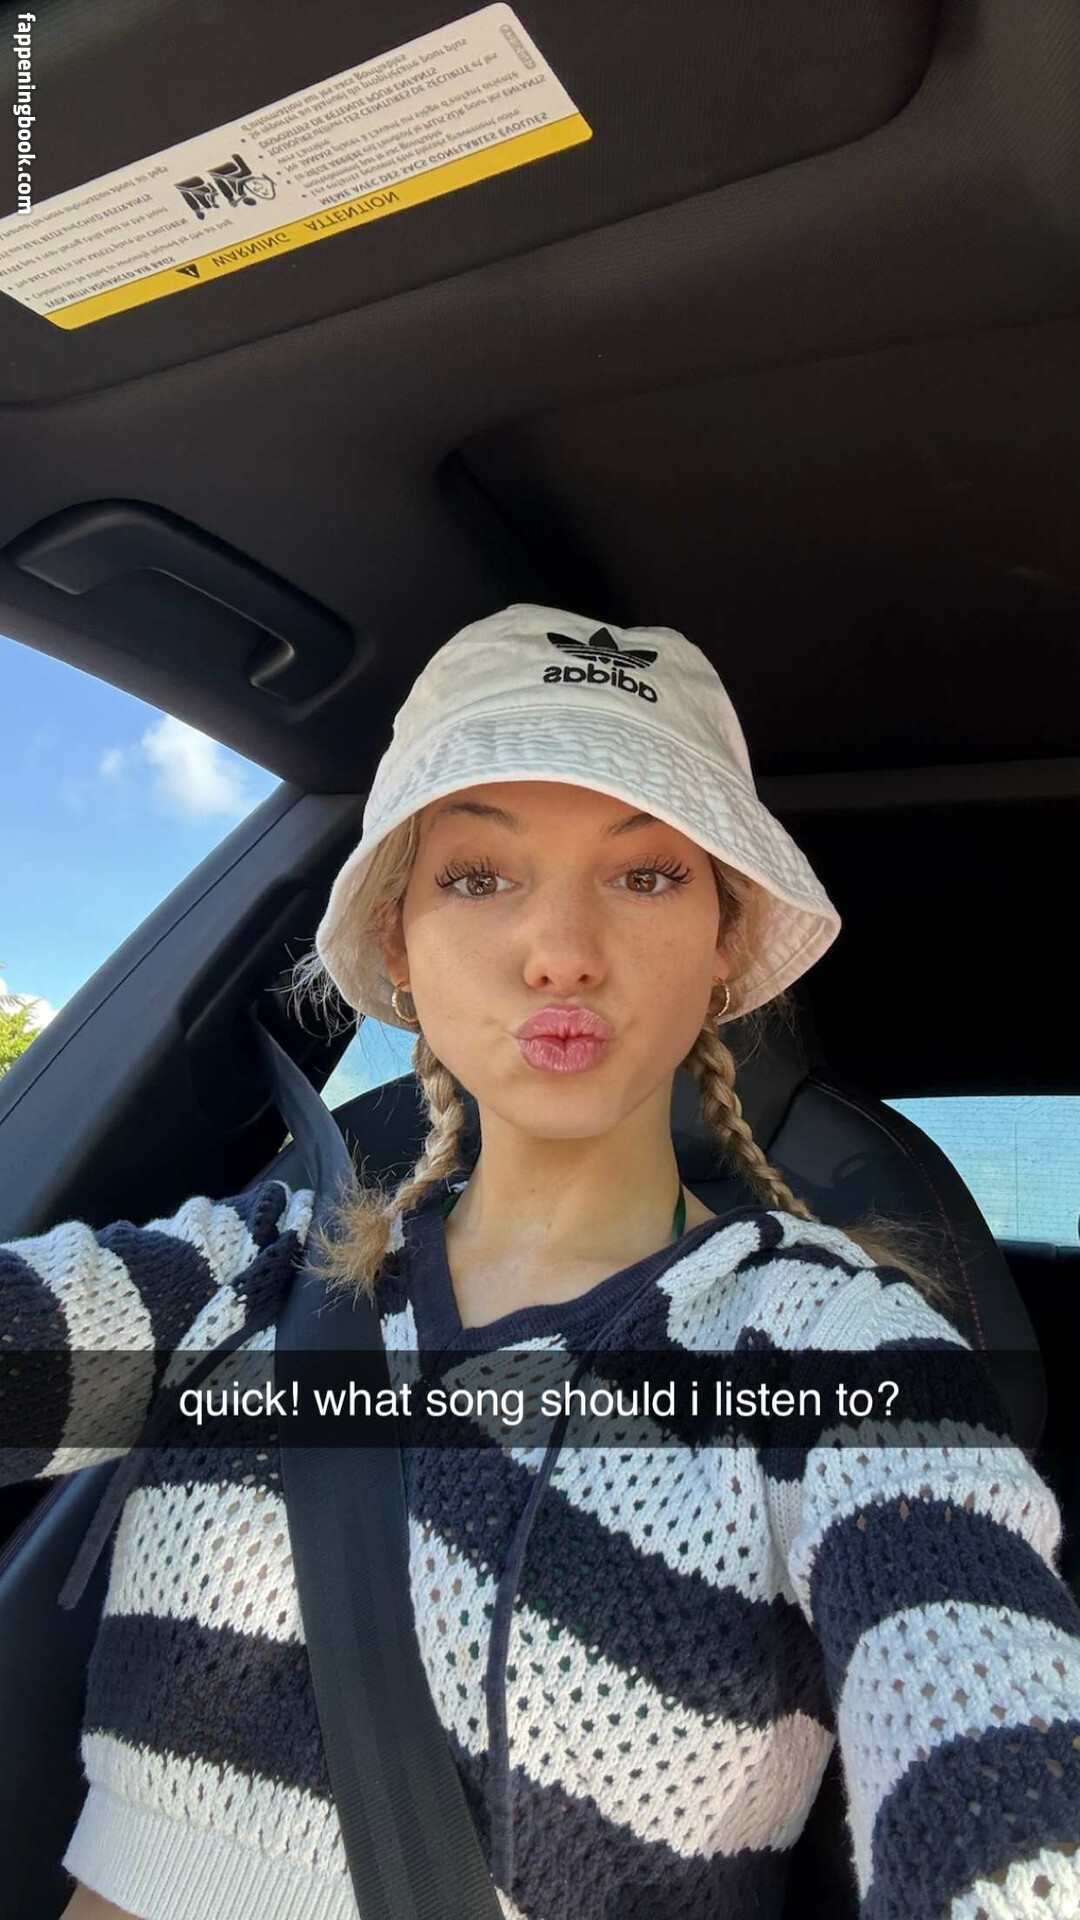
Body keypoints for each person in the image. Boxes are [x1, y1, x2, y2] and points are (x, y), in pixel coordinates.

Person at [3, 603, 1078, 1920]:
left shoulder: (834, 1346)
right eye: (478, 876)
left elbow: (994, 1748)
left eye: (647, 874)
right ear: (397, 943)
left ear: (724, 941)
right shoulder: (256, 1262)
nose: (562, 951)